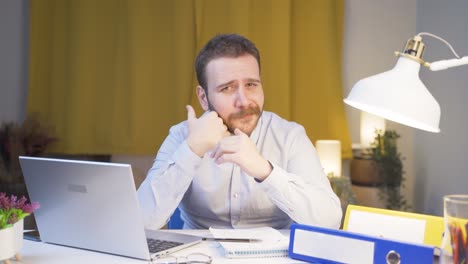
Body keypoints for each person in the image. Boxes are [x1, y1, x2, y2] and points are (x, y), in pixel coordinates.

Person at [137, 34, 342, 229]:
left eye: (251, 84)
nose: (244, 102)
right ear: (203, 97)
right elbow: (141, 222)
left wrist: (265, 170)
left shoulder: (290, 136)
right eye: (227, 88)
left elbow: (330, 220)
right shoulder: (182, 136)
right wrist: (192, 150)